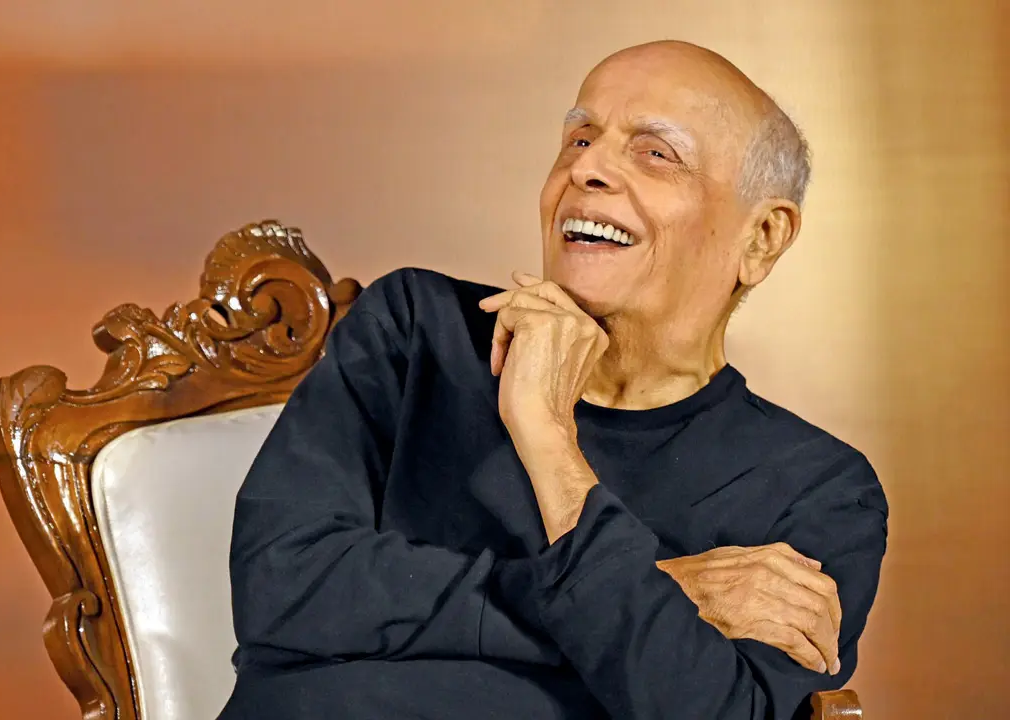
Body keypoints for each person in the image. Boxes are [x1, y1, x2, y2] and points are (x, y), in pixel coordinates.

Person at [217, 40, 888, 720]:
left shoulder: (819, 491)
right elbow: (282, 586)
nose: (585, 168)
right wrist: (653, 594)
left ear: (762, 237)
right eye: (579, 139)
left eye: (656, 153)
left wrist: (547, 438)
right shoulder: (416, 330)